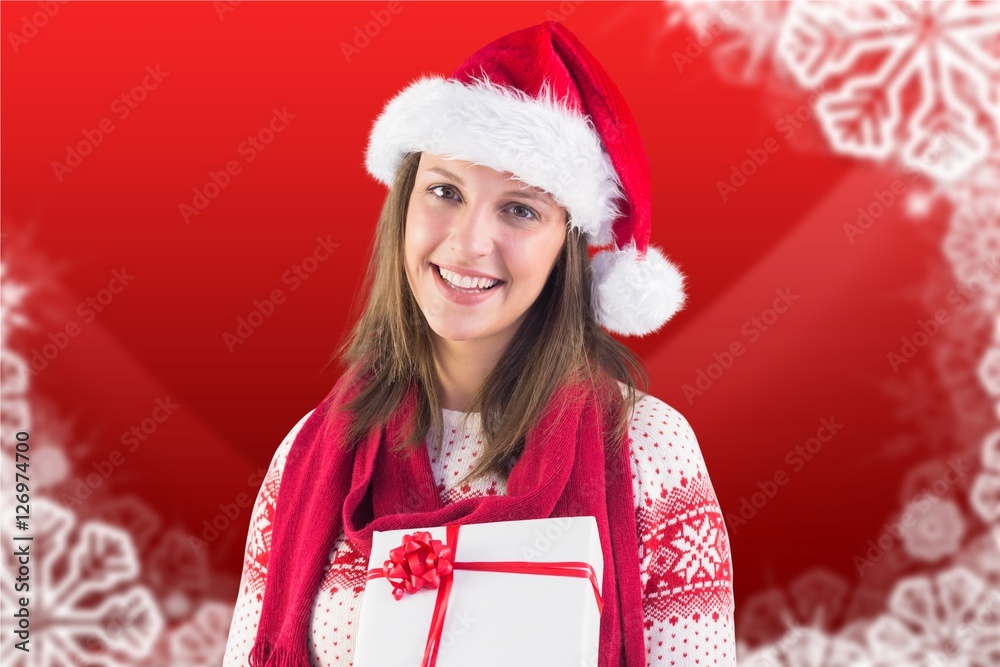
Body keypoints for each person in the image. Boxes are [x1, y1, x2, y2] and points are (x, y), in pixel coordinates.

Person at [224, 21, 735, 667]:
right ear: (405, 203)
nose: (467, 243)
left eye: (520, 209)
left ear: (566, 250)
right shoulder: (311, 451)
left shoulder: (647, 451)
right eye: (445, 191)